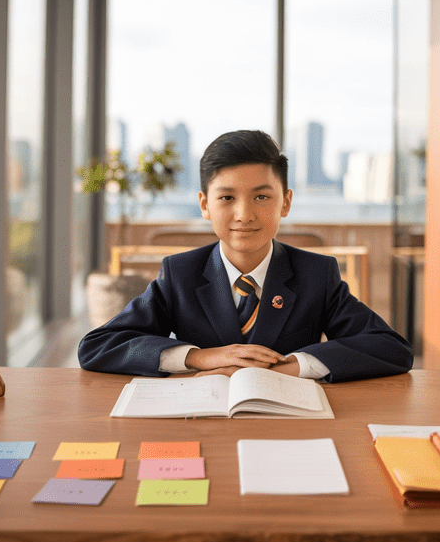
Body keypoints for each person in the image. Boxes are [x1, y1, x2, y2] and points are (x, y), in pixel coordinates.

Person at [77, 129, 413, 382]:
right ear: (205, 205)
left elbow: (391, 348)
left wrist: (296, 366)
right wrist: (199, 357)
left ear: (286, 202)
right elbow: (98, 345)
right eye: (226, 198)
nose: (244, 214)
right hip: (202, 420)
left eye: (262, 197)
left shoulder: (316, 273)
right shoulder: (181, 273)